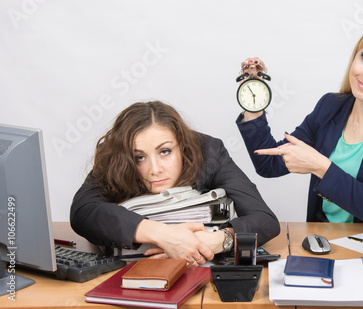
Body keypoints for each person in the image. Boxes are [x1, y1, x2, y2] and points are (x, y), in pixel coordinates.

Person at [236, 21, 363, 235]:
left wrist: (321, 167)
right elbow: (268, 163)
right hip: (330, 242)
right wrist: (253, 100)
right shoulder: (331, 106)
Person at [70, 101, 280, 265]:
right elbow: (82, 211)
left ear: (183, 147)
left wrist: (214, 241)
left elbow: (264, 219)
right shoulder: (116, 156)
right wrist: (164, 235)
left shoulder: (208, 151)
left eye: (165, 151)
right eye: (139, 157)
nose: (155, 169)